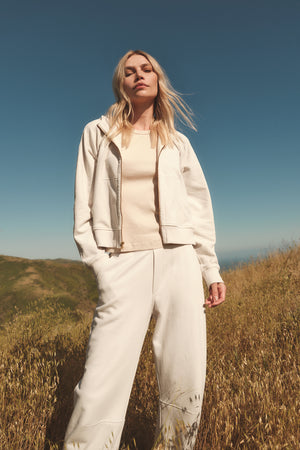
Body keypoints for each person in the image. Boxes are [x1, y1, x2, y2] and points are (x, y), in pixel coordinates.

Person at [64, 49, 226, 450]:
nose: (138, 76)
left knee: (184, 375)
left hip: (179, 261)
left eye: (146, 69)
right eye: (129, 71)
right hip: (122, 263)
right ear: (121, 83)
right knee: (100, 381)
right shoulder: (96, 134)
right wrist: (101, 267)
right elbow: (82, 209)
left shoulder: (178, 143)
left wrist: (210, 269)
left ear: (157, 80)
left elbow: (198, 208)